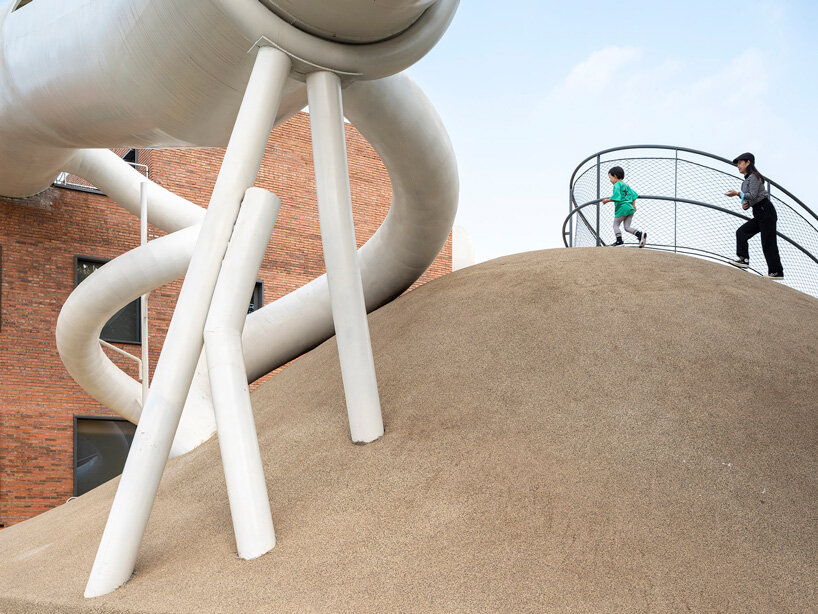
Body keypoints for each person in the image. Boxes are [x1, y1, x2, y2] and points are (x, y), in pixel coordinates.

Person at [724, 152, 784, 279]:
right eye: (738, 164)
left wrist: (737, 194)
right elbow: (750, 199)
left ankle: (776, 272)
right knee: (741, 232)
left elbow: (753, 195)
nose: (738, 166)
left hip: (766, 211)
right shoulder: (745, 182)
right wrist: (746, 205)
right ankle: (744, 260)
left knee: (768, 243)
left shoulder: (755, 177)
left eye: (740, 163)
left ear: (748, 163)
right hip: (758, 212)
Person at [602, 166, 647, 247]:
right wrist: (634, 205)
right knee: (627, 227)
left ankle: (619, 242)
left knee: (615, 225)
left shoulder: (616, 185)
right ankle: (640, 234)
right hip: (630, 209)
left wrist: (607, 200)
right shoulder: (626, 186)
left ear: (615, 176)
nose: (610, 180)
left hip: (622, 209)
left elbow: (617, 197)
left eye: (610, 177)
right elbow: (634, 195)